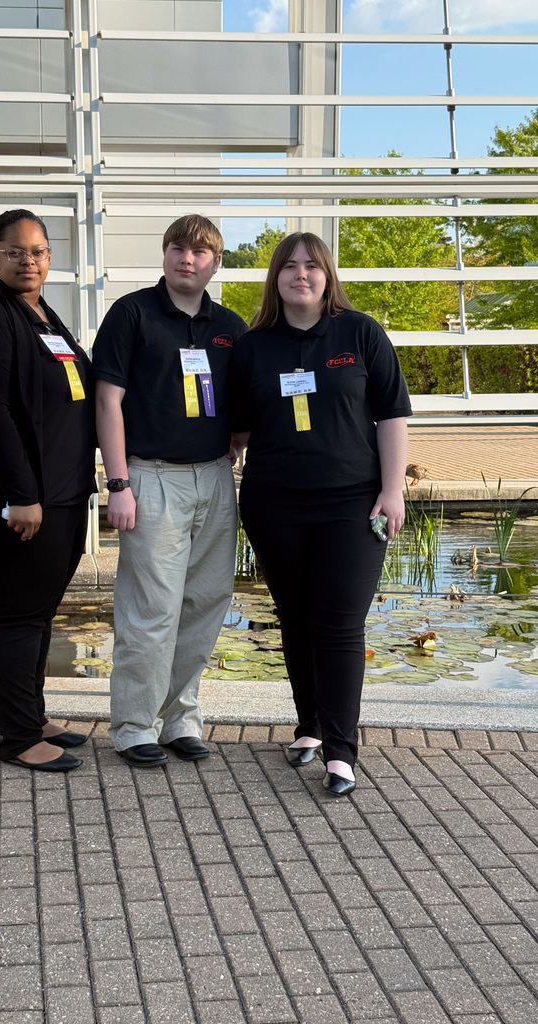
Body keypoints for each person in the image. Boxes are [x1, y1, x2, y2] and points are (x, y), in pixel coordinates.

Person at [229, 232, 411, 796]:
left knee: (338, 623)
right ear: (275, 278)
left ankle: (340, 749)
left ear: (328, 275)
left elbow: (392, 415)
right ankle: (308, 727)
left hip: (351, 503)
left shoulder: (360, 333)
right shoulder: (254, 346)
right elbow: (234, 428)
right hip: (273, 502)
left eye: (311, 266)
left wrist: (392, 490)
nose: (300, 275)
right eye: (289, 266)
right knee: (295, 617)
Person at [0, 209, 95, 773]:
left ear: (49, 258)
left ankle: (32, 714)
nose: (27, 260)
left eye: (37, 251)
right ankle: (18, 738)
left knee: (40, 610)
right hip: (14, 492)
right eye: (15, 251)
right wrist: (21, 495)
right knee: (17, 613)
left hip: (58, 487)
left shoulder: (45, 317)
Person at [93, 215, 247, 767]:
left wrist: (239, 438)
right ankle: (134, 724)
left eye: (201, 252)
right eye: (178, 249)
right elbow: (107, 402)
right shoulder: (132, 314)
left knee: (205, 602)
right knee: (151, 608)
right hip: (151, 477)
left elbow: (243, 397)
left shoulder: (229, 327)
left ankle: (181, 717)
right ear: (164, 254)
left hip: (214, 477)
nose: (189, 259)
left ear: (216, 262)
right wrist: (118, 483)